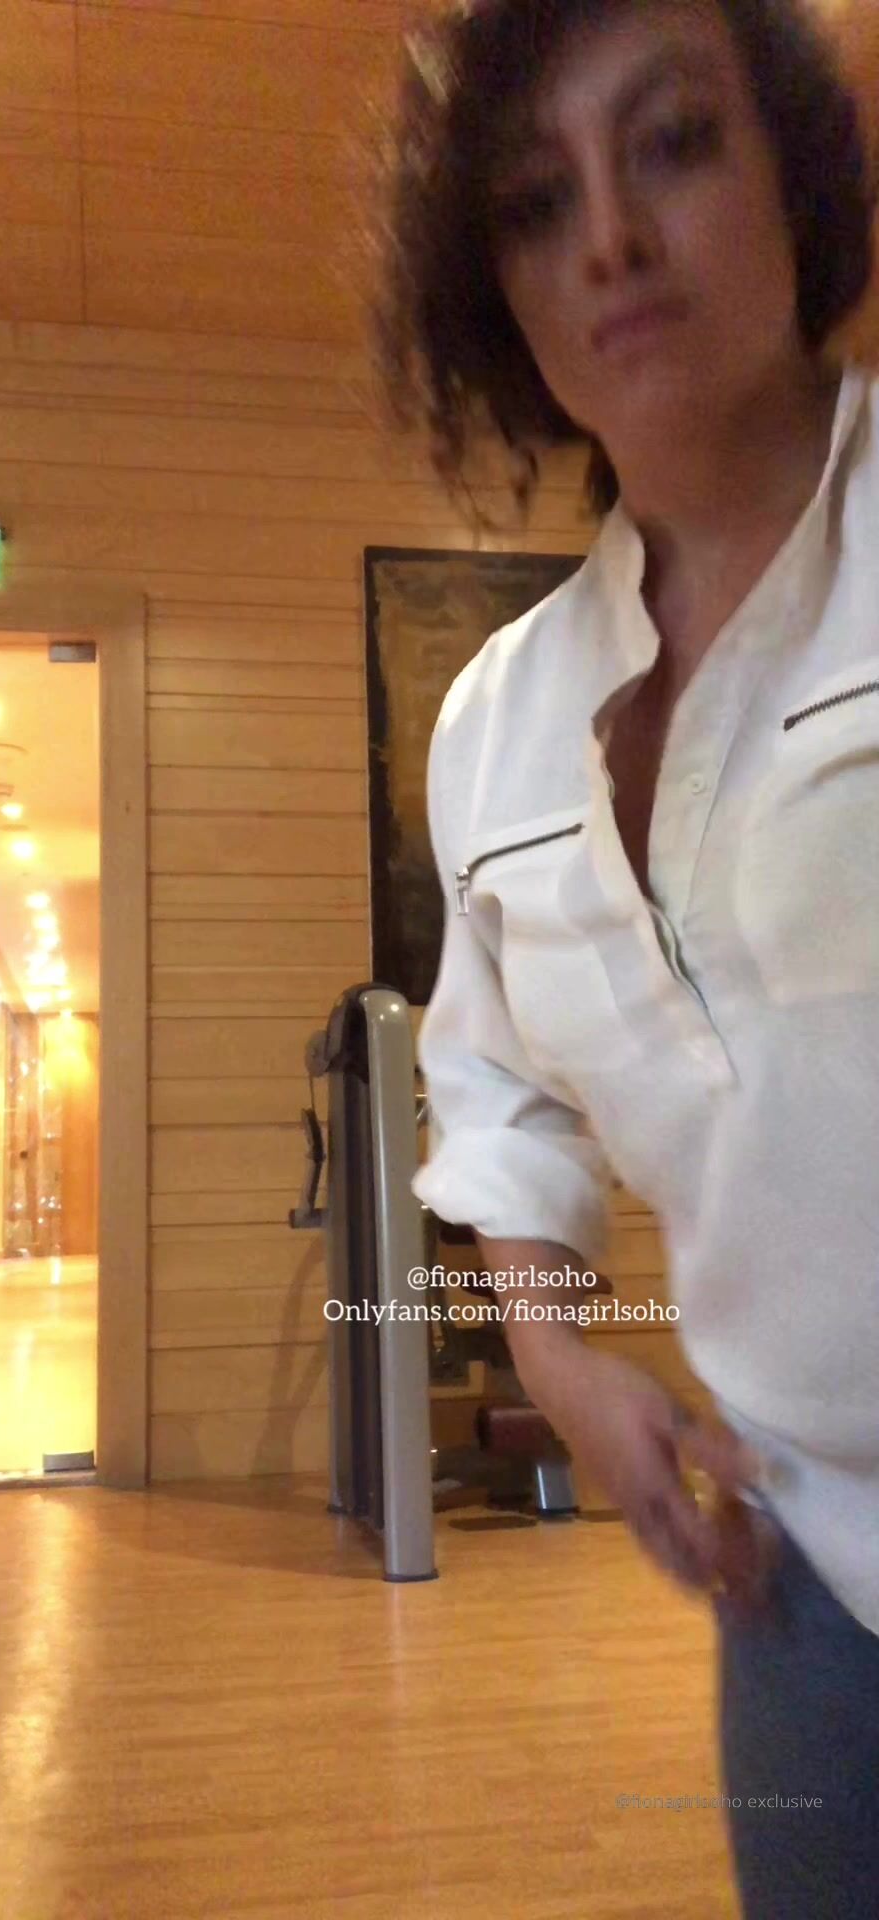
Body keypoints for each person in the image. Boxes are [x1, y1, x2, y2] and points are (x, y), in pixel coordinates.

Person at [370, 2, 879, 1914]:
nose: (608, 240)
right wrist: (561, 1360)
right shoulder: (496, 726)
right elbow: (495, 1089)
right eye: (534, 200)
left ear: (795, 179)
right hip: (799, 1575)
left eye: (671, 142)